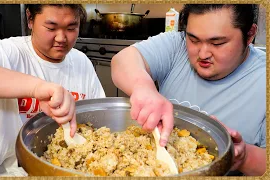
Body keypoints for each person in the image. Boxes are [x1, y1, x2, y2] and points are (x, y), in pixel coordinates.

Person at [111, 4, 265, 176]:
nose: (203, 53)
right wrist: (144, 88)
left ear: (250, 34)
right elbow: (122, 60)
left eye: (217, 43)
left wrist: (244, 158)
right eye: (194, 40)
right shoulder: (177, 46)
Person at [0, 4, 105, 176]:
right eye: (51, 27)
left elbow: (98, 121)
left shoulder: (81, 62)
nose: (61, 38)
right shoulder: (7, 52)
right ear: (30, 19)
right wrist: (37, 87)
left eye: (71, 28)